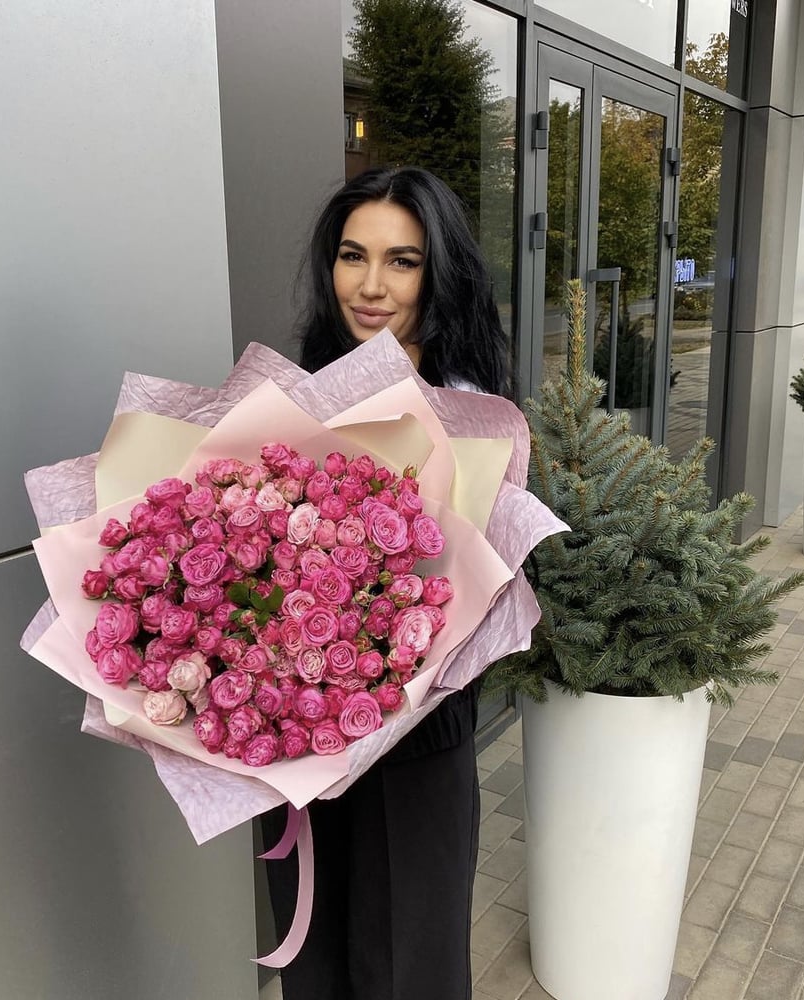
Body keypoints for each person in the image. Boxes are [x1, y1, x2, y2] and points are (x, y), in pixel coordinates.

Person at [262, 165, 513, 1000]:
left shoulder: (475, 414)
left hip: (417, 744)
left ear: (438, 273)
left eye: (402, 261)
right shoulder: (294, 397)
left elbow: (493, 588)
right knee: (316, 968)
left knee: (412, 970)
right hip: (301, 743)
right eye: (352, 256)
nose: (370, 286)